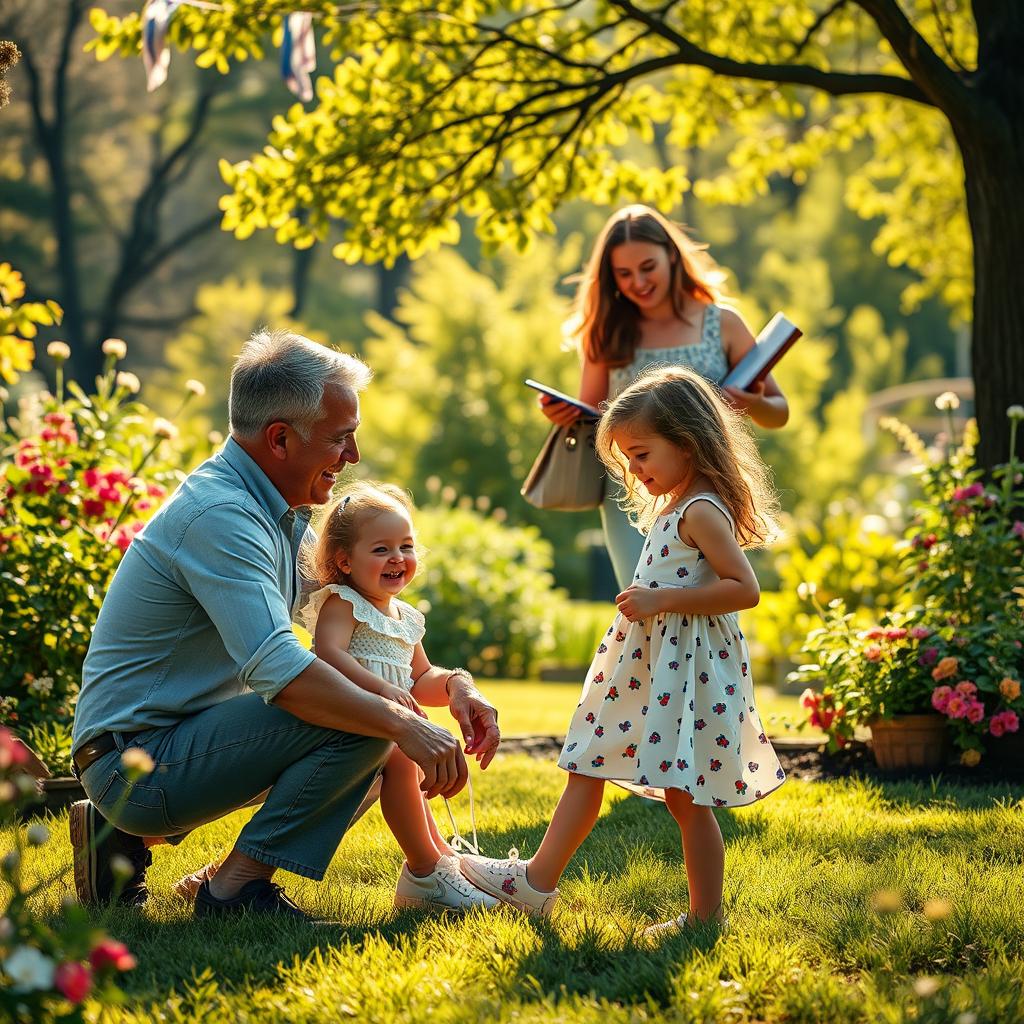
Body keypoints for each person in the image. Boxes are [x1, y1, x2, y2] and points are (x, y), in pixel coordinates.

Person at [68, 329, 500, 918]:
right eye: (340, 439)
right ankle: (235, 890)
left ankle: (146, 849)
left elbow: (375, 631)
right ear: (279, 439)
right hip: (135, 761)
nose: (351, 457)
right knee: (372, 723)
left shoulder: (283, 512)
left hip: (180, 742)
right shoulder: (223, 516)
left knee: (373, 722)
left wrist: (457, 686)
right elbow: (282, 670)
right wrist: (403, 722)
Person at [460, 367, 786, 931]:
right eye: (626, 459)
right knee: (585, 760)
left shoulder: (701, 510)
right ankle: (537, 882)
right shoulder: (677, 503)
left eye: (641, 455)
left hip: (681, 668)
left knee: (687, 798)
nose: (634, 470)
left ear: (687, 443)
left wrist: (661, 600)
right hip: (647, 663)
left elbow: (745, 589)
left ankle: (703, 917)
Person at [177, 481, 499, 912]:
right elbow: (327, 653)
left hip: (382, 722)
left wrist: (459, 685)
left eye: (406, 546)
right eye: (381, 549)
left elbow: (420, 676)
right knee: (401, 759)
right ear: (345, 561)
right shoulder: (342, 602)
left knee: (405, 763)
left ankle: (441, 857)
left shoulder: (405, 617)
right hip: (344, 719)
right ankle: (424, 869)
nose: (398, 558)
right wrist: (383, 690)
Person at [539, 204, 789, 590]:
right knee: (642, 605)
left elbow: (779, 411)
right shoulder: (606, 333)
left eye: (647, 267)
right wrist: (565, 415)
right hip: (633, 494)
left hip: (706, 490)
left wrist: (751, 402)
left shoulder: (722, 324)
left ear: (672, 255)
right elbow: (594, 416)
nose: (638, 281)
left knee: (710, 602)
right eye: (624, 274)